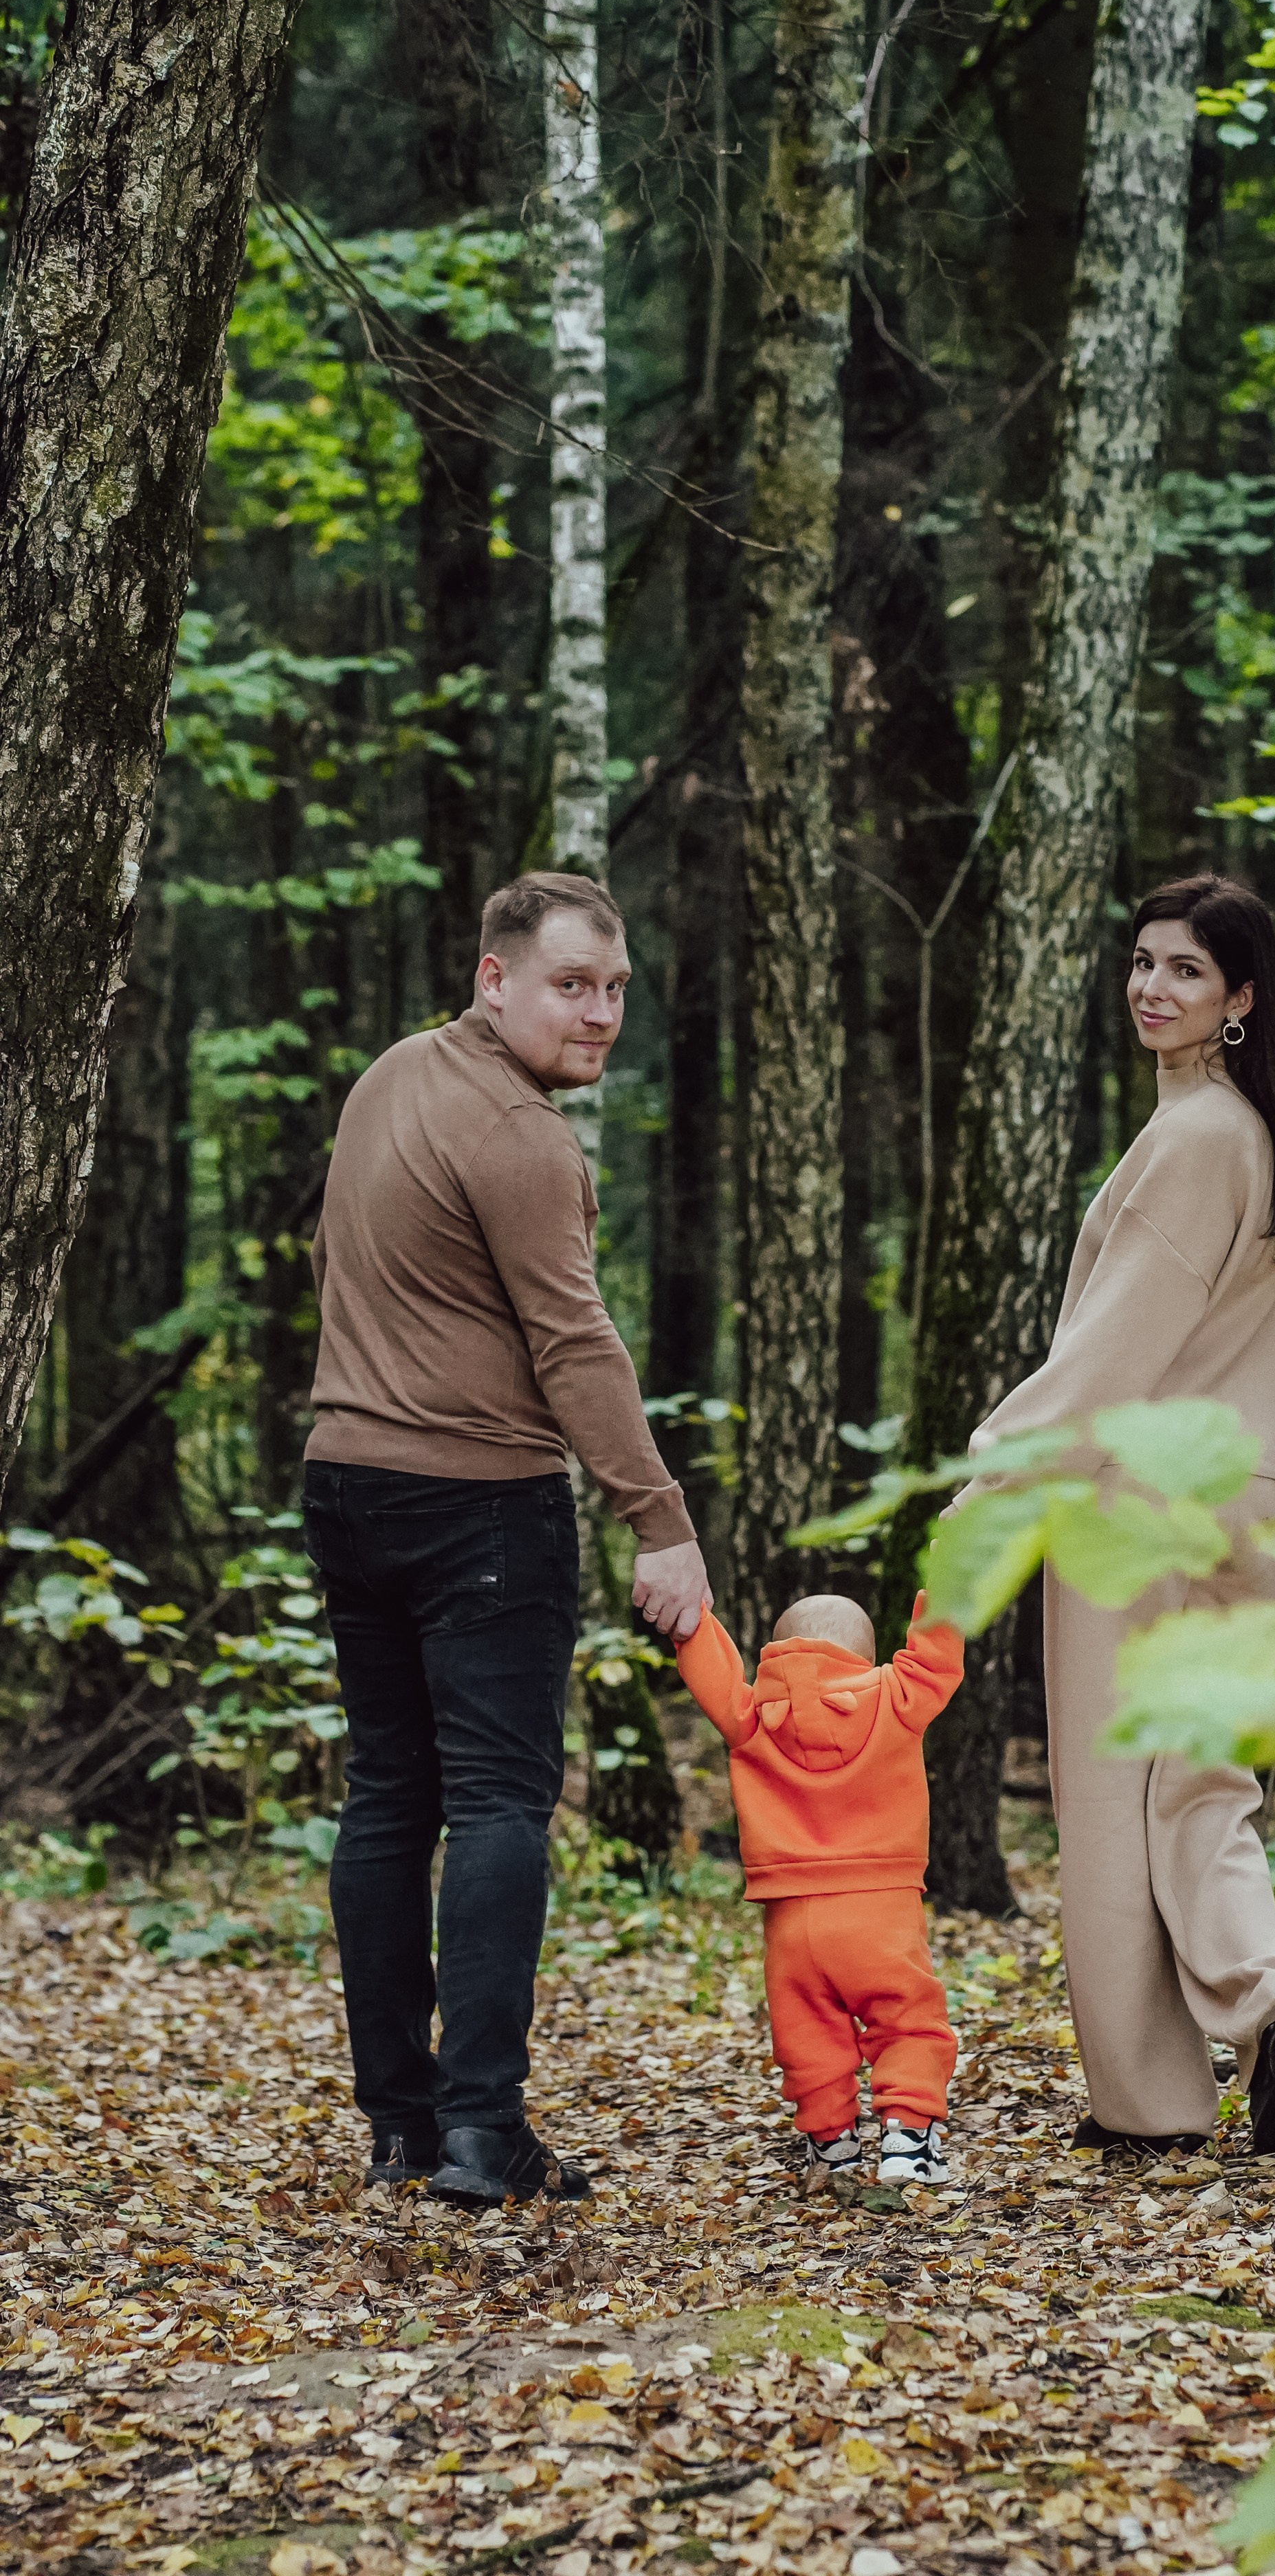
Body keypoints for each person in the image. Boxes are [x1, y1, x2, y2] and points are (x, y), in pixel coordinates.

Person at [302, 871, 709, 2206]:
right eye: (569, 985)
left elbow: (340, 1262)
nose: (599, 1015)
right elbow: (574, 1342)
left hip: (347, 1485)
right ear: (494, 977)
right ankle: (478, 2128)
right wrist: (660, 1519)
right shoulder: (525, 1139)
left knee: (388, 1796)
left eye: (614, 990)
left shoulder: (390, 1081)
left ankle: (401, 2127)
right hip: (476, 1502)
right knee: (491, 1804)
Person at [971, 873, 1275, 2160]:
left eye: (1184, 970)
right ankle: (1274, 1999)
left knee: (1113, 1795)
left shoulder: (1196, 1141)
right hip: (1246, 1501)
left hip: (1141, 1495)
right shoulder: (1268, 1136)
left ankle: (1153, 2103)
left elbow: (1109, 1353)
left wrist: (989, 1478)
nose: (1150, 987)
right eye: (1140, 962)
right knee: (1206, 1780)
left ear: (1239, 998)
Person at [673, 1590, 964, 2184]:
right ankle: (909, 2139)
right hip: (881, 1909)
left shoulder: (750, 1713)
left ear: (775, 1651)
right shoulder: (895, 1697)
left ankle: (832, 2142)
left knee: (808, 2033)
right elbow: (938, 1653)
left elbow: (710, 1670)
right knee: (907, 2022)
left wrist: (692, 1618)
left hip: (791, 1921)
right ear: (865, 1654)